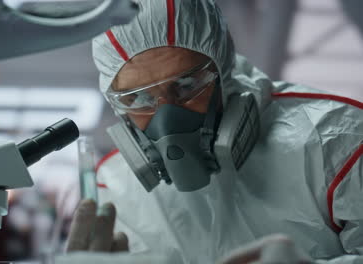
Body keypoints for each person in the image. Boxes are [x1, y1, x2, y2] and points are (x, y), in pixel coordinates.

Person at [66, 0, 363, 263]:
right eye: (137, 98)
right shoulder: (115, 186)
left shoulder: (337, 140)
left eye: (187, 85)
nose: (167, 118)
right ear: (117, 104)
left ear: (223, 69)